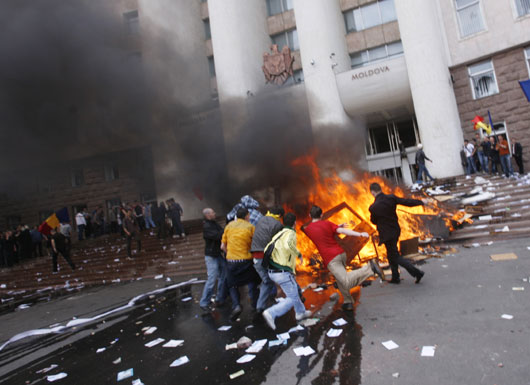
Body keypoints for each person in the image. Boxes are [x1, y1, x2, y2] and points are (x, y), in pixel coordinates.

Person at [303, 205, 384, 312]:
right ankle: (348, 302)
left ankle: (370, 268)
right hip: (341, 254)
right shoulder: (328, 224)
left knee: (345, 281)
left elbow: (316, 230)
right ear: (321, 215)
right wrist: (359, 233)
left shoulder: (308, 229)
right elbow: (343, 231)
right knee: (340, 281)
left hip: (331, 259)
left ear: (309, 215)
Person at [262, 213, 312, 330]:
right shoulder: (291, 233)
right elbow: (288, 244)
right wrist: (298, 254)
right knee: (292, 297)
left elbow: (267, 248)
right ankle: (271, 312)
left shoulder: (279, 233)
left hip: (273, 271)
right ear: (294, 223)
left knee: (294, 289)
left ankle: (301, 313)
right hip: (282, 272)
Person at [368, 183, 425, 284]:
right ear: (380, 189)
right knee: (391, 255)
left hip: (386, 234)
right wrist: (420, 202)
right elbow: (407, 202)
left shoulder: (373, 207)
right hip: (395, 231)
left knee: (395, 256)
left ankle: (417, 272)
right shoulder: (391, 198)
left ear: (372, 192)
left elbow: (373, 221)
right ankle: (395, 277)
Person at [221, 207, 261, 321]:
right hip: (246, 260)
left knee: (232, 284)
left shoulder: (228, 226)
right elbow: (256, 244)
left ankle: (236, 305)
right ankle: (255, 306)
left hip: (231, 261)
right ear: (247, 216)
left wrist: (231, 254)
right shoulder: (250, 227)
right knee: (253, 281)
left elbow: (222, 246)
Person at [250, 207, 284, 313]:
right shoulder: (277, 224)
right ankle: (297, 298)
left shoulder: (261, 220)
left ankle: (260, 307)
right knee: (284, 277)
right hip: (267, 258)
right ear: (279, 216)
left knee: (267, 281)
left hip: (256, 258)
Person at [199, 208, 228, 311]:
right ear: (207, 215)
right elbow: (218, 235)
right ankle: (204, 302)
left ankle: (220, 298)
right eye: (212, 212)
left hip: (217, 254)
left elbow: (221, 232)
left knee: (223, 275)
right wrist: (227, 231)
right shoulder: (207, 226)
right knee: (212, 279)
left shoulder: (213, 223)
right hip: (211, 256)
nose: (214, 213)